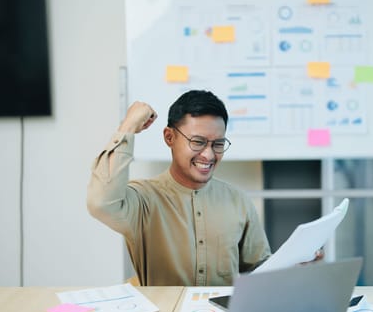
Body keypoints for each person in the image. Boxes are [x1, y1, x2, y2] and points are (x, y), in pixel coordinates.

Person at [87, 90, 272, 286]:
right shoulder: (143, 199)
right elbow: (101, 203)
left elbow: (260, 269)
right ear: (169, 138)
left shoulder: (238, 200)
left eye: (218, 144)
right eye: (198, 142)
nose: (209, 155)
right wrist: (128, 127)